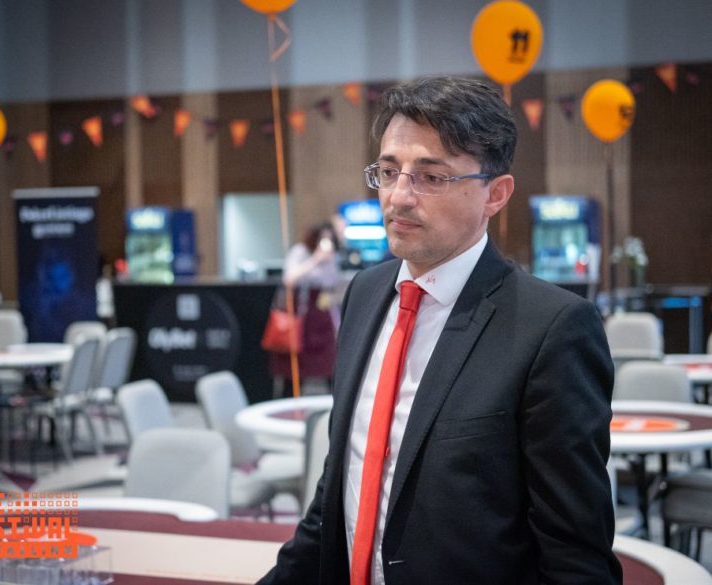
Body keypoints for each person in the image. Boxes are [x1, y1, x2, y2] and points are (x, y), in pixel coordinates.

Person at [258, 76, 621, 584]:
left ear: (496, 194)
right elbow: (338, 494)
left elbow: (575, 557)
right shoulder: (365, 294)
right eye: (389, 172)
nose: (399, 197)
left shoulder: (552, 329)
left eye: (431, 177)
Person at [269, 222, 341, 395]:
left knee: (329, 367)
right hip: (300, 317)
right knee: (292, 370)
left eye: (330, 239)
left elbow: (332, 285)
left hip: (322, 317)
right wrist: (316, 259)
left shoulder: (333, 257)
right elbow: (289, 279)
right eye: (322, 238)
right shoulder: (300, 252)